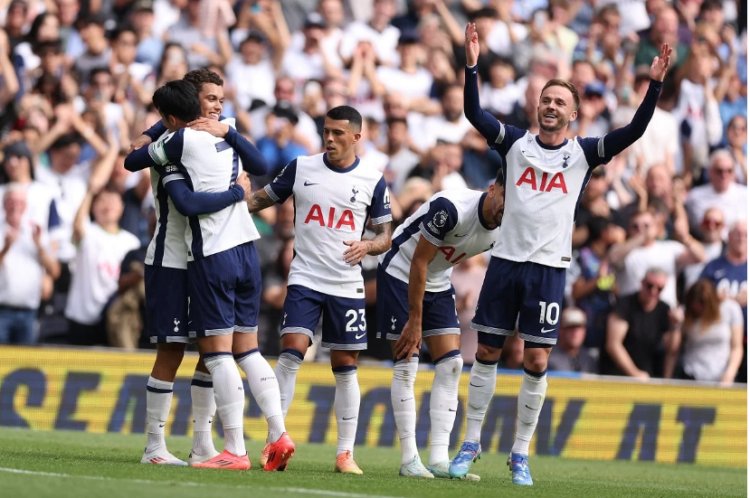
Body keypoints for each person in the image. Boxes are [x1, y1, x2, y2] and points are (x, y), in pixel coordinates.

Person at [449, 23, 671, 486]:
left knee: (536, 362)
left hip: (549, 270)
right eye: (545, 100)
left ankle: (520, 453)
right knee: (487, 351)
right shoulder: (513, 143)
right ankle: (470, 442)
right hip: (505, 263)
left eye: (559, 102)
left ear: (571, 114)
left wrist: (655, 85)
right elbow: (472, 110)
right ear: (537, 107)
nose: (550, 106)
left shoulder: (584, 154)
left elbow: (634, 130)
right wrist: (471, 65)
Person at [128, 70, 294, 470]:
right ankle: (155, 444)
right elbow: (135, 161)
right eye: (209, 98)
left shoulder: (221, 131)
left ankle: (207, 443)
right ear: (189, 101)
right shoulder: (173, 143)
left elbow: (253, 158)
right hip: (172, 258)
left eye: (221, 98)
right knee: (174, 350)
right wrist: (154, 131)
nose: (218, 105)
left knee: (211, 352)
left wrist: (172, 130)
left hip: (207, 255)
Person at [245, 105, 392, 475]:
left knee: (345, 366)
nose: (329, 138)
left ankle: (345, 453)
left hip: (345, 283)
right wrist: (233, 202)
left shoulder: (373, 180)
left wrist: (368, 246)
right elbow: (266, 198)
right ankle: (275, 441)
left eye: (338, 133)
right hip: (306, 278)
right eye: (326, 131)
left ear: (357, 137)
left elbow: (385, 235)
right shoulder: (301, 167)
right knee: (291, 351)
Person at [377, 173, 504, 479]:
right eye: (505, 196)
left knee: (451, 365)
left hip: (437, 280)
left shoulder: (504, 229)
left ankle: (438, 458)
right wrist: (415, 320)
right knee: (407, 363)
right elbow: (418, 262)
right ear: (492, 189)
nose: (507, 207)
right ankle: (409, 458)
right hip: (400, 273)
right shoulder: (451, 208)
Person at [600, 269, 680, 379]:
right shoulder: (625, 305)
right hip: (617, 376)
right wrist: (635, 373)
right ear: (642, 282)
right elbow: (613, 345)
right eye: (650, 286)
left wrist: (675, 326)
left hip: (647, 377)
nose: (653, 291)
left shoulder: (664, 310)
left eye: (659, 288)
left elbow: (671, 350)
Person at [668, 279, 743, 384]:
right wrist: (676, 326)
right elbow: (673, 350)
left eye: (702, 306)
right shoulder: (686, 313)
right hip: (691, 374)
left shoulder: (730, 308)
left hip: (722, 376)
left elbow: (737, 347)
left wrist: (730, 373)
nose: (699, 310)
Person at [547, 307, 598, 373]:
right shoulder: (549, 358)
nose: (575, 332)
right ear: (560, 330)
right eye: (570, 327)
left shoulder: (589, 359)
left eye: (579, 327)